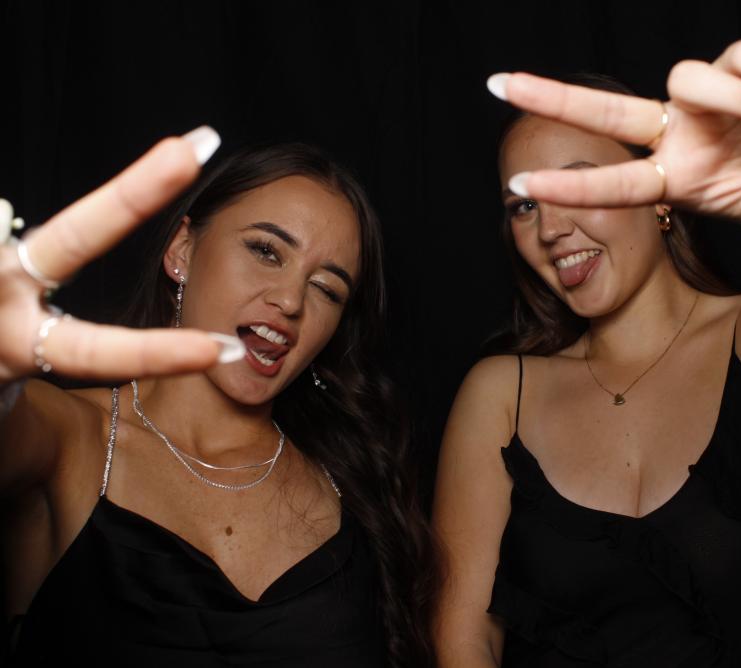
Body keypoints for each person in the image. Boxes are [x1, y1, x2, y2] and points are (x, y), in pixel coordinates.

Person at [433, 40, 741, 666]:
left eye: (578, 184)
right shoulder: (502, 393)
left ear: (661, 191)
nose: (551, 229)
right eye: (525, 205)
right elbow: (462, 643)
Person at [0, 134, 435, 666]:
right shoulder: (67, 435)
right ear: (183, 250)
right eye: (266, 251)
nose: (290, 300)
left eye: (326, 288)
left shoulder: (353, 487)